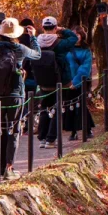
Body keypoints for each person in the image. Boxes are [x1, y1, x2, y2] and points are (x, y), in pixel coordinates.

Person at [0, 17, 40, 176]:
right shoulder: (20, 49)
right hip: (16, 94)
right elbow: (37, 55)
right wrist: (33, 37)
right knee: (14, 130)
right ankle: (9, 168)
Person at [34, 16, 76, 145]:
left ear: (42, 27)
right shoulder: (60, 43)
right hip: (60, 81)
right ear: (55, 27)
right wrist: (63, 30)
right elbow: (74, 38)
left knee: (44, 109)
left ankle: (42, 138)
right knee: (57, 109)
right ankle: (51, 139)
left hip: (43, 81)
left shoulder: (36, 42)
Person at [63, 28, 94, 140]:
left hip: (80, 82)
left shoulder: (86, 51)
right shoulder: (66, 49)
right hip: (66, 82)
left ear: (82, 35)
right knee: (69, 106)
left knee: (80, 106)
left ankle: (88, 128)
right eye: (73, 34)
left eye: (78, 34)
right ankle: (73, 131)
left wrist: (75, 82)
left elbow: (85, 68)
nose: (76, 37)